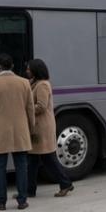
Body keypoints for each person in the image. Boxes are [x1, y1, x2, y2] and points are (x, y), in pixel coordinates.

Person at [0, 54, 35, 210]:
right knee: (21, 166)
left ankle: (1, 201)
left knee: (0, 167)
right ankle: (22, 200)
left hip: (0, 131)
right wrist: (31, 127)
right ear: (13, 66)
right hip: (20, 130)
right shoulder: (24, 83)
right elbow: (30, 108)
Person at [25, 59, 74, 198]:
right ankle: (30, 190)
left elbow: (41, 106)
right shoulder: (34, 83)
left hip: (41, 128)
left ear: (36, 70)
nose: (27, 71)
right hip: (37, 127)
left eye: (29, 69)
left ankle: (65, 183)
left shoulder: (42, 85)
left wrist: (25, 110)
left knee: (47, 158)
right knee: (33, 160)